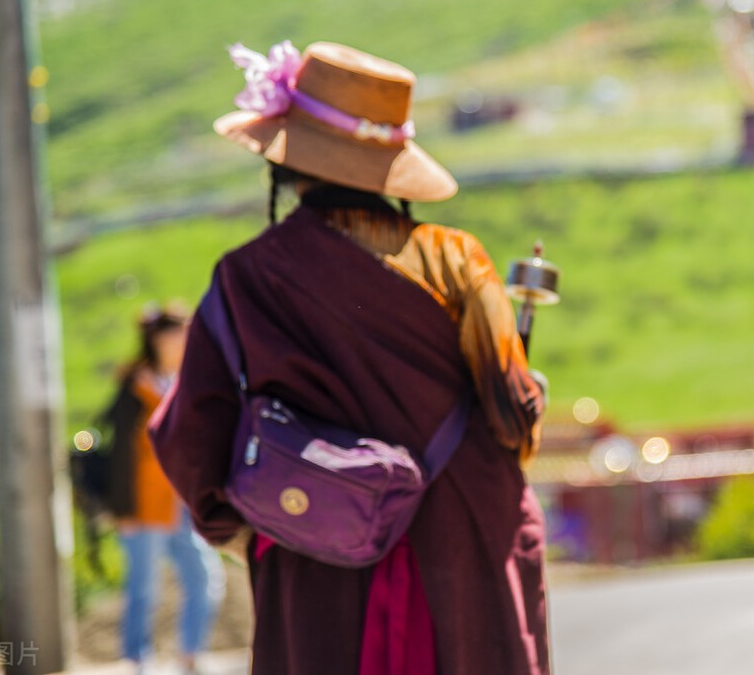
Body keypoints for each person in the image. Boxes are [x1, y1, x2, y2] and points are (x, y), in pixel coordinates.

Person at [149, 40, 550, 675]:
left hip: (319, 561)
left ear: (289, 164)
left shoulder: (247, 278)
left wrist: (259, 525)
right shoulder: (459, 260)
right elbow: (514, 418)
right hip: (464, 554)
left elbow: (189, 432)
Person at [106, 304, 226, 674]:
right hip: (142, 505)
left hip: (184, 501)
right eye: (178, 334)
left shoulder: (192, 383)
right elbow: (120, 453)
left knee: (204, 578)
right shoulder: (135, 387)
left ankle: (190, 653)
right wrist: (122, 509)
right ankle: (137, 660)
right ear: (157, 340)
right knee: (144, 588)